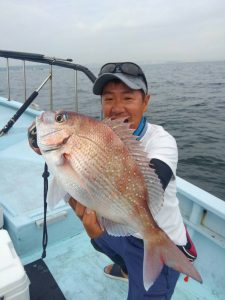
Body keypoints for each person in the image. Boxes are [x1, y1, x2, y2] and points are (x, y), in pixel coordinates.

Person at [28, 62, 197, 300]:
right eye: (108, 99)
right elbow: (69, 180)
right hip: (118, 224)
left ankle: (143, 266)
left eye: (128, 98)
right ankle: (126, 267)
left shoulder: (162, 140)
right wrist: (43, 147)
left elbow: (154, 185)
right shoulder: (93, 137)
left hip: (158, 235)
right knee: (97, 237)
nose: (117, 108)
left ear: (145, 101)